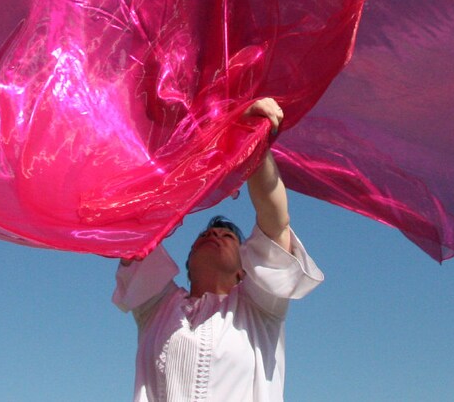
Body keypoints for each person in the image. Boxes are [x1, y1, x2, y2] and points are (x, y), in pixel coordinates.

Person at [112, 98, 324, 401]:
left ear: (244, 269)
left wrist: (249, 136)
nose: (214, 234)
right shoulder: (156, 305)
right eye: (206, 234)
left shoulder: (260, 308)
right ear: (187, 263)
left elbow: (275, 221)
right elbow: (133, 227)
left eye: (227, 236)